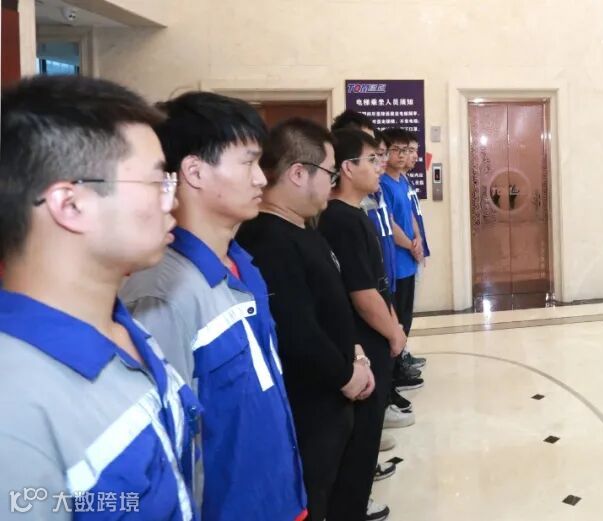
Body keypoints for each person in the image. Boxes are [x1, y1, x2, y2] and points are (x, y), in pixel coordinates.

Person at [0, 76, 198, 519]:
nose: (172, 202)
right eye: (157, 182)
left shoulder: (127, 330)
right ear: (70, 205)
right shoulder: (13, 406)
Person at [119, 92, 306, 521]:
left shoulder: (243, 268)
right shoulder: (163, 294)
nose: (261, 180)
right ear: (195, 171)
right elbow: (168, 452)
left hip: (278, 498)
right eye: (248, 163)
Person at [235, 118, 388, 521]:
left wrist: (355, 353)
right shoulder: (268, 239)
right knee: (314, 498)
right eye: (329, 172)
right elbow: (296, 330)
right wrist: (346, 374)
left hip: (334, 396)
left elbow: (327, 307)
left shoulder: (303, 228)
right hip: (310, 406)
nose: (332, 183)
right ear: (299, 173)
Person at [319, 127, 410, 494]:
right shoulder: (341, 219)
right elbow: (362, 292)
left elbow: (375, 282)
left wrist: (394, 324)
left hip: (375, 331)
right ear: (347, 168)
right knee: (362, 430)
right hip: (365, 336)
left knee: (368, 429)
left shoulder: (354, 214)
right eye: (372, 159)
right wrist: (393, 332)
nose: (379, 166)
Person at [380, 128, 428, 393]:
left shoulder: (401, 181)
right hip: (396, 262)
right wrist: (410, 245)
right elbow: (388, 222)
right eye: (396, 150)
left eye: (406, 150)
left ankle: (400, 364)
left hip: (409, 259)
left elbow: (410, 215)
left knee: (406, 317)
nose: (402, 155)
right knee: (396, 318)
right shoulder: (383, 183)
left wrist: (418, 238)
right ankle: (395, 371)